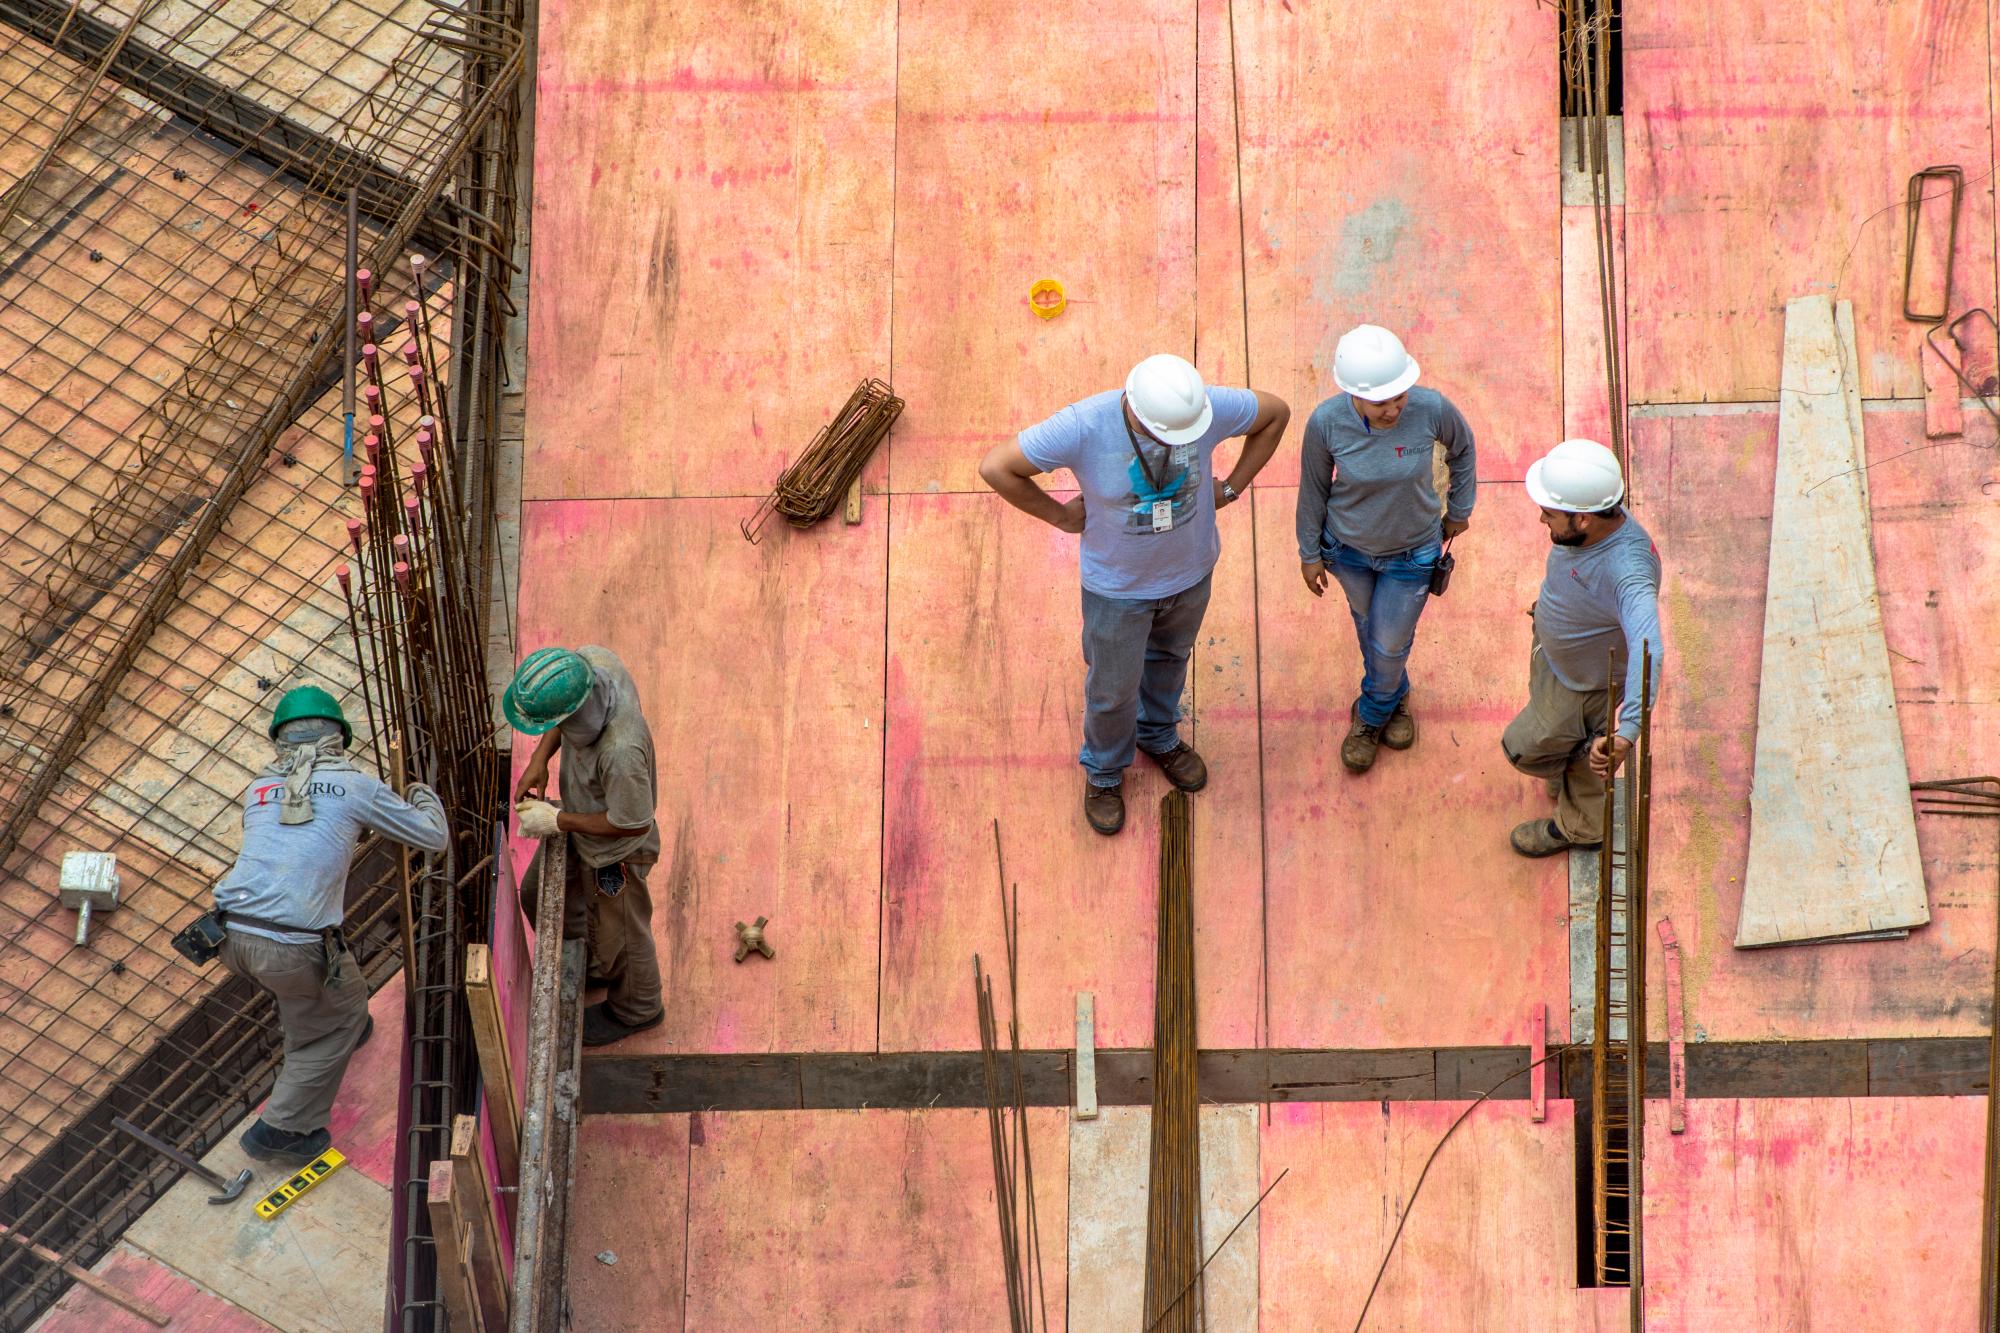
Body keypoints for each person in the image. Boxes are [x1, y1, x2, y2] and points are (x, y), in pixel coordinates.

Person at [979, 353, 1290, 834]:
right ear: (1137, 415)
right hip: (1118, 592)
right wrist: (1061, 517)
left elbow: (1275, 413)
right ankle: (1104, 772)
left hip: (1191, 573)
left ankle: (1157, 734)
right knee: (1112, 687)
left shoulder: (1199, 408)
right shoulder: (1082, 425)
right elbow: (997, 467)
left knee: (1170, 659)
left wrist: (1231, 489)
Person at [214, 685, 448, 1166]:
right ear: (339, 738)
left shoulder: (258, 788)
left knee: (323, 985)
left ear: (279, 741)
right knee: (332, 1016)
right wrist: (420, 793)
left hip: (230, 931)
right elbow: (433, 836)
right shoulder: (355, 785)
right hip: (290, 943)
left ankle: (337, 1025)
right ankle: (282, 1129)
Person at [1295, 324, 1476, 773]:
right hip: (1348, 551)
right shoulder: (1324, 423)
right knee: (1370, 630)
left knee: (1389, 641)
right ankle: (1396, 695)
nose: (1395, 408)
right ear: (1354, 394)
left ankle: (1371, 715)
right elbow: (1313, 490)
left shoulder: (1432, 409)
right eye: (1382, 402)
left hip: (1412, 553)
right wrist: (1308, 552)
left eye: (1400, 395)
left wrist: (1460, 506)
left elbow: (1464, 450)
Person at [1502, 439, 1664, 856]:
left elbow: (1650, 650)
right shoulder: (1590, 525)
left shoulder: (1629, 572)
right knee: (1559, 739)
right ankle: (1570, 761)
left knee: (1528, 749)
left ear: (1585, 519)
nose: (1542, 519)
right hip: (1559, 660)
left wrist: (1626, 733)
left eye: (1550, 513)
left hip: (1583, 687)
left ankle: (1581, 828)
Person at [506, 645, 665, 1045]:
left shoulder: (620, 750)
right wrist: (539, 759)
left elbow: (631, 824)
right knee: (535, 893)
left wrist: (557, 820)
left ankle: (636, 1009)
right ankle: (593, 964)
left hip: (617, 853)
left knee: (624, 937)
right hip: (583, 823)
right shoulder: (592, 664)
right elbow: (562, 719)